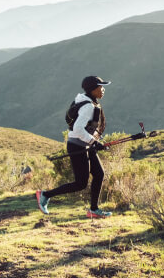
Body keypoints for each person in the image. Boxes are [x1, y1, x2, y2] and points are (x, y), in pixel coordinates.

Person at [36, 76, 113, 219]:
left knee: (99, 174)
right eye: (100, 87)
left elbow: (86, 127)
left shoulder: (87, 101)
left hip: (85, 145)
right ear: (92, 89)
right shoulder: (88, 106)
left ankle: (94, 210)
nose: (103, 89)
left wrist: (94, 142)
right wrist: (94, 142)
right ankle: (45, 195)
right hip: (78, 146)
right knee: (80, 183)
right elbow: (78, 129)